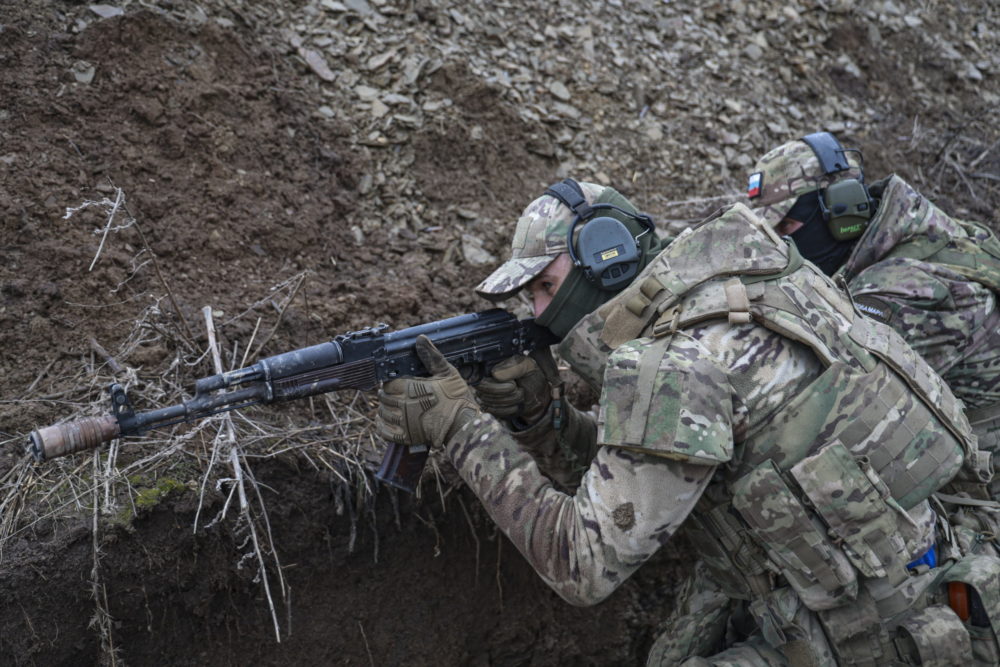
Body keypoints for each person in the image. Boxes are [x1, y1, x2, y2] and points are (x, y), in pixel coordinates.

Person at [375, 178, 998, 665]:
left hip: (890, 641)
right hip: (940, 584)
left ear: (605, 262)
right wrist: (544, 420)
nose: (537, 313)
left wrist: (460, 429)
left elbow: (581, 564)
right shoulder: (747, 285)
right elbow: (635, 475)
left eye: (542, 286)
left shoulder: (675, 364)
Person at [748, 132, 1000, 488]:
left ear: (842, 209)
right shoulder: (909, 231)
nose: (780, 243)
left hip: (981, 497)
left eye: (786, 227)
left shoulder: (906, 288)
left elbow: (835, 418)